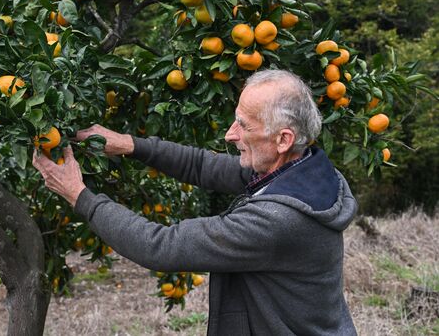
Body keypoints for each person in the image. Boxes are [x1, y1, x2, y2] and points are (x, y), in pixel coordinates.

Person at [33, 69, 357, 335]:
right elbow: (202, 166)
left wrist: (78, 194)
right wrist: (130, 145)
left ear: (283, 139)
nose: (231, 135)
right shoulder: (303, 171)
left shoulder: (277, 219)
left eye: (243, 126)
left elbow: (159, 246)